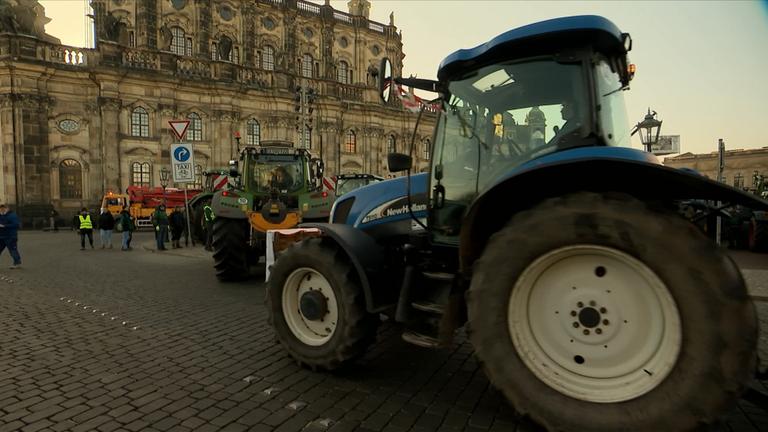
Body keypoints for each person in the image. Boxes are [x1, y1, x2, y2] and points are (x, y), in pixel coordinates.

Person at [0, 203, 22, 269]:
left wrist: (4, 226)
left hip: (10, 236)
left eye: (4, 208)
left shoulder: (12, 215)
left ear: (7, 208)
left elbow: (16, 225)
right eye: (1, 208)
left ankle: (17, 263)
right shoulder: (1, 215)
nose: (2, 209)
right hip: (1, 236)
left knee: (13, 250)